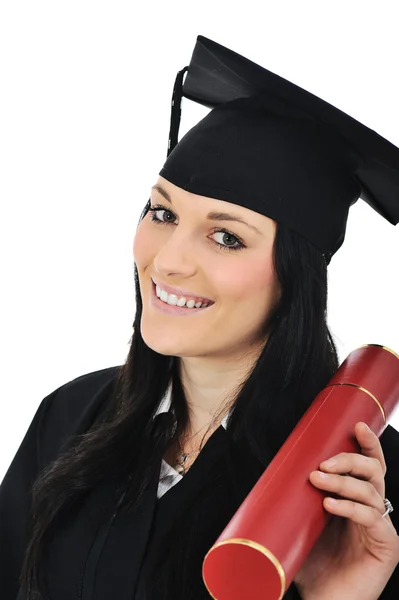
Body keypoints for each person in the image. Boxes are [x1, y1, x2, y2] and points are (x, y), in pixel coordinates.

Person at [1, 35, 399, 600]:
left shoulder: (360, 494)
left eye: (225, 237)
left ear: (296, 277)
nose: (168, 260)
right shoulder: (68, 418)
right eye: (162, 212)